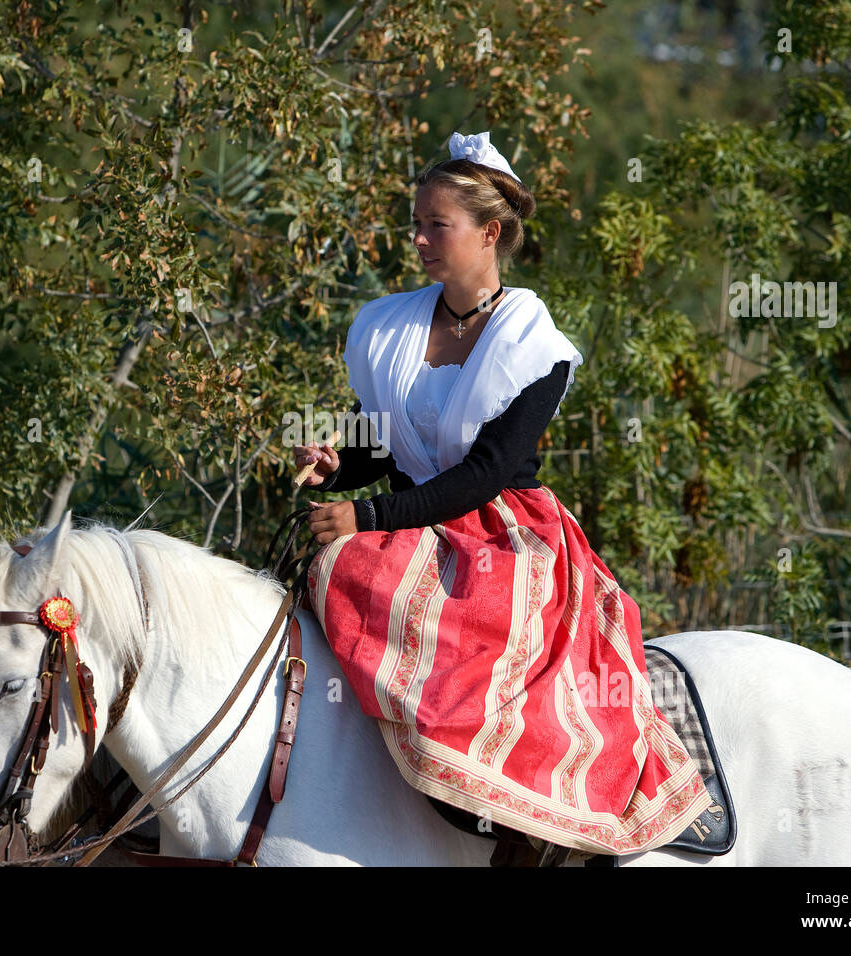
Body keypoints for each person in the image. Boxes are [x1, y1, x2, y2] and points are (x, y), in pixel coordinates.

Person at [292, 132, 711, 857]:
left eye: (436, 225)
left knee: (352, 568)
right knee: (323, 577)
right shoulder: (392, 326)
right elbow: (385, 435)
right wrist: (338, 467)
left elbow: (485, 473)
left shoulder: (532, 343)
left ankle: (509, 818)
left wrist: (366, 516)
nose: (419, 238)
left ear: (489, 233)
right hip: (415, 524)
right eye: (416, 223)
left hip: (501, 533)